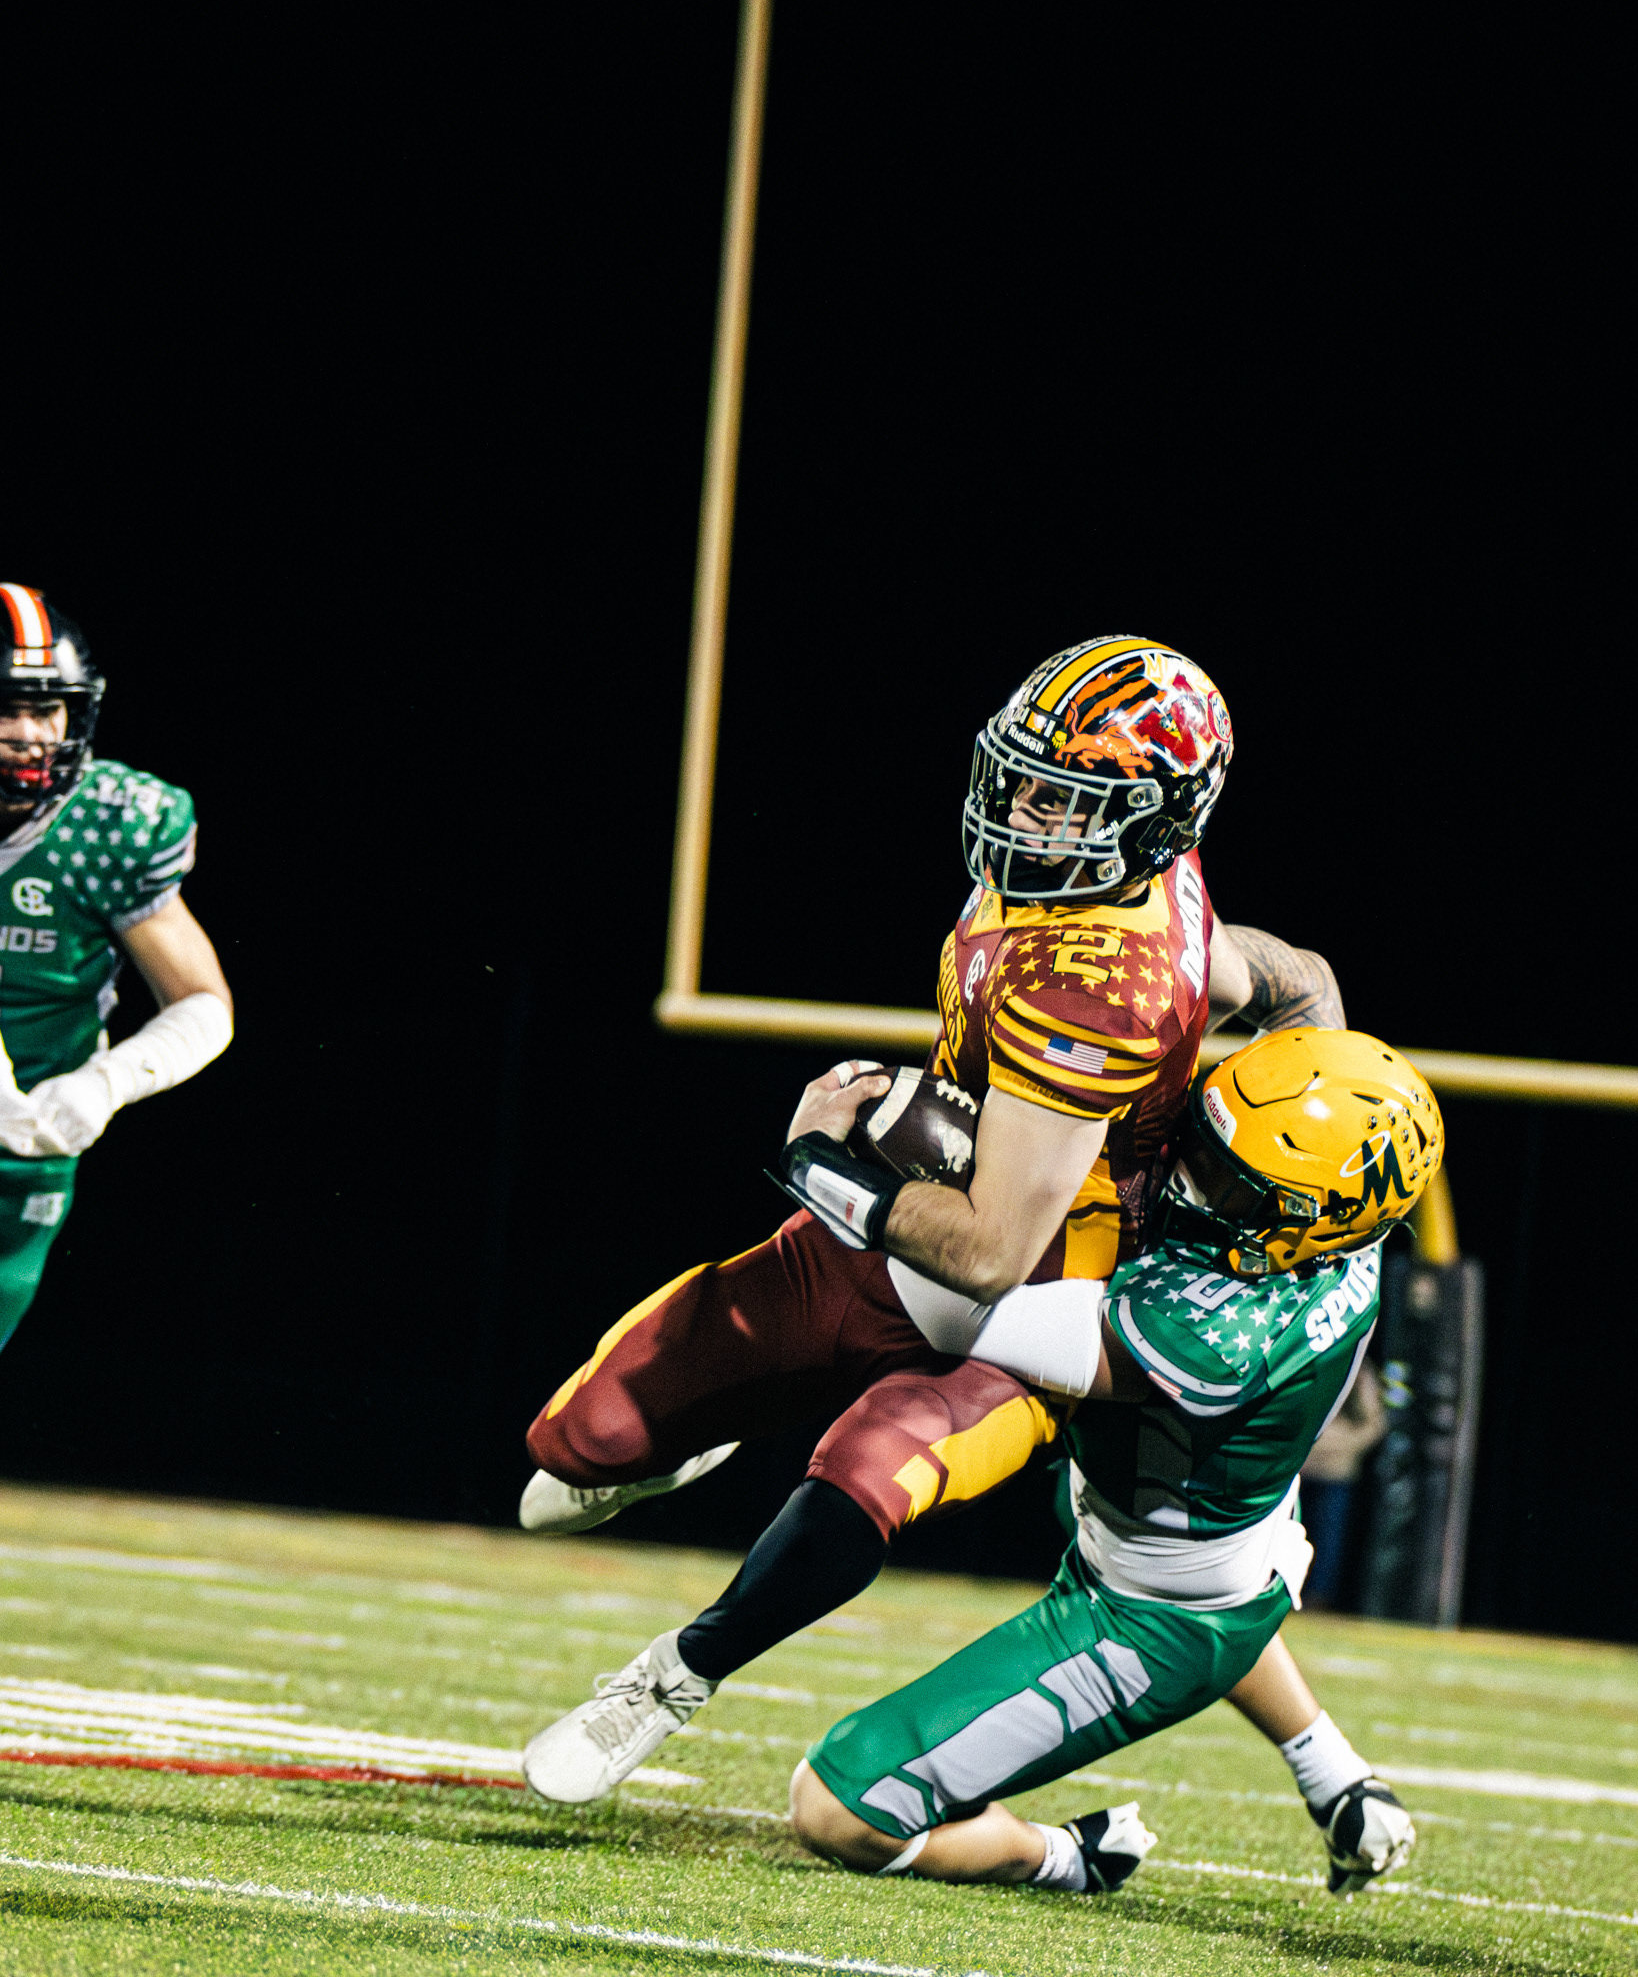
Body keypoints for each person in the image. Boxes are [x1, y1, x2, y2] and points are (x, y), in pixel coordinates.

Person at [518, 638, 1339, 1806]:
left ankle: (670, 1677)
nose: (1025, 809)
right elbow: (1303, 979)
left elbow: (992, 1251)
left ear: (1155, 818)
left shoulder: (1103, 981)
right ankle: (698, 1431)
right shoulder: (1118, 879)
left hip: (1036, 1297)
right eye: (1025, 778)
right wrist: (1251, 1020)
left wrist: (818, 1166)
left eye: (1064, 797)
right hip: (929, 1217)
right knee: (576, 1443)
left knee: (869, 1469)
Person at [789, 1028, 1439, 1899]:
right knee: (1184, 1547)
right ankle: (1336, 1773)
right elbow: (1303, 984)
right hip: (1217, 1531)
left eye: (1227, 1184)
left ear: (1302, 1223)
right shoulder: (1344, 1211)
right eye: (1201, 1145)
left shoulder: (1213, 1336)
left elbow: (962, 1303)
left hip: (1151, 1616)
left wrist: (825, 1170)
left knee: (839, 1807)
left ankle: (1061, 1856)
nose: (1184, 1180)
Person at [0, 584, 233, 1352]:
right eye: (6, 708)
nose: (31, 735)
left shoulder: (111, 823)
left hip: (23, 1145)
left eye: (48, 709)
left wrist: (103, 1084)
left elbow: (201, 1002)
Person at [1300, 1357, 1386, 1608]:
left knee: (1326, 1542)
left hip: (1335, 1475)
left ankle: (1316, 1600)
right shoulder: (1305, 1357)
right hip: (1296, 1471)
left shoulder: (1359, 1369)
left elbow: (1374, 1425)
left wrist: (1342, 1450)